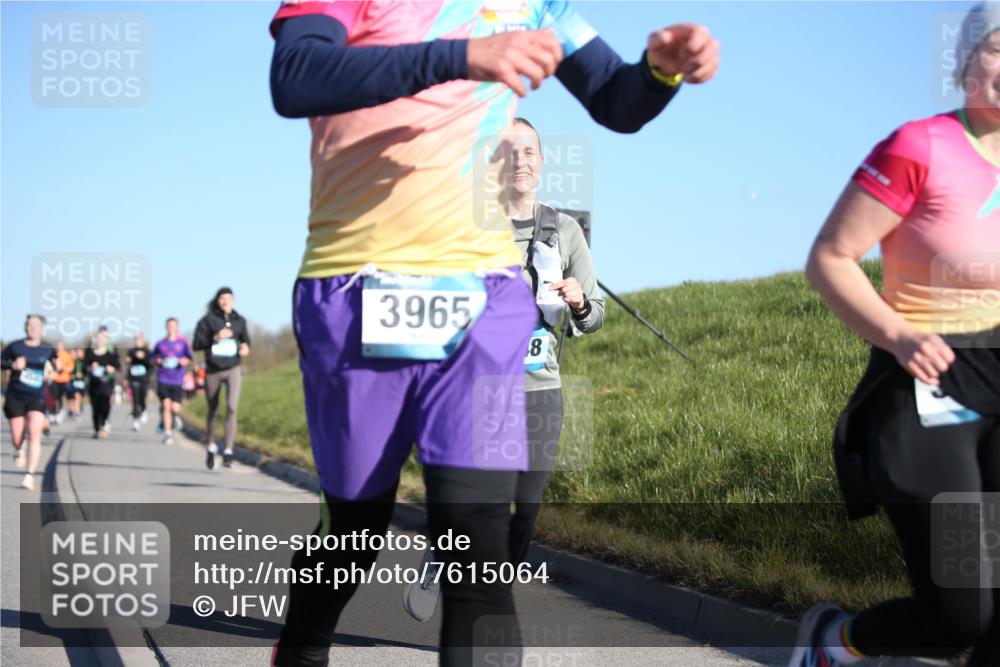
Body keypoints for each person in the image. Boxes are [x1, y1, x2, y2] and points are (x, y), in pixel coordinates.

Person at [268, 2, 719, 665]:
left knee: (476, 545)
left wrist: (659, 71)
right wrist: (463, 56)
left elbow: (614, 99)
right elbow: (297, 76)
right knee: (355, 529)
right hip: (357, 287)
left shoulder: (536, 6)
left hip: (480, 294)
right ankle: (303, 643)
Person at [791, 4, 1000, 666]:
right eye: (999, 48)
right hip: (931, 380)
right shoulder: (921, 145)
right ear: (966, 61)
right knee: (959, 612)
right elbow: (829, 257)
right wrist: (900, 334)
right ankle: (834, 643)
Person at [403, 118, 606, 622]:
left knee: (524, 511)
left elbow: (596, 313)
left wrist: (579, 302)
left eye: (531, 152)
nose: (521, 161)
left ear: (541, 162)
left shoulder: (564, 230)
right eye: (510, 152)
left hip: (541, 388)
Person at [193, 286, 251, 470]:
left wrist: (245, 347)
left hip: (233, 367)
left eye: (228, 298)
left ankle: (228, 450)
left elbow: (246, 340)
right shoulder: (208, 320)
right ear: (217, 301)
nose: (225, 301)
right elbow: (196, 344)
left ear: (233, 300)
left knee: (232, 407)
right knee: (213, 409)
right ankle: (210, 445)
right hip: (213, 369)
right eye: (222, 298)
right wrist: (215, 336)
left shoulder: (239, 320)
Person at [1, 315, 57, 490]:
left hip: (37, 396)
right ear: (25, 328)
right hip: (16, 396)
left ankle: (29, 475)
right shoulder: (15, 347)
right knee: (17, 438)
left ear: (42, 329)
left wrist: (56, 368)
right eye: (30, 325)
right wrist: (13, 366)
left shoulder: (48, 347)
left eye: (36, 325)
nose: (32, 328)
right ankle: (19, 448)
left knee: (34, 434)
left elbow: (57, 365)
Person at [152, 318, 192, 446]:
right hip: (163, 378)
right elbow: (153, 357)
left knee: (175, 408)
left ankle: (175, 418)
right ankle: (168, 434)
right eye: (169, 325)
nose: (171, 328)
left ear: (177, 327)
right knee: (166, 406)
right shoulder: (160, 343)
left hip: (177, 379)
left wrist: (184, 361)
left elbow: (189, 357)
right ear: (166, 327)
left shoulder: (183, 342)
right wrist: (157, 360)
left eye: (173, 325)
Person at [84, 327, 120, 439]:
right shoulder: (90, 354)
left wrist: (111, 368)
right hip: (94, 384)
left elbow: (117, 367)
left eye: (103, 338)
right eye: (98, 338)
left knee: (105, 404)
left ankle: (104, 422)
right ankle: (96, 428)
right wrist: (90, 368)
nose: (100, 340)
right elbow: (84, 368)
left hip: (106, 383)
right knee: (95, 407)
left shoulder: (111, 354)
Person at [125, 332, 152, 431]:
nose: (137, 340)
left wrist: (143, 357)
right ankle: (135, 421)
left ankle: (143, 410)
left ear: (142, 339)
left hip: (144, 378)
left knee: (142, 397)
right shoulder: (131, 351)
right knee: (135, 399)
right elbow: (128, 363)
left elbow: (150, 365)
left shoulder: (147, 351)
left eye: (138, 338)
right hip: (133, 378)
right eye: (135, 338)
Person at [49, 341, 75, 423]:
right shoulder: (53, 355)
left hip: (64, 379)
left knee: (61, 396)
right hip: (54, 378)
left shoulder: (67, 355)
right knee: (54, 396)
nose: (59, 347)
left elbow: (71, 368)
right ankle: (55, 412)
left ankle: (60, 410)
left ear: (63, 346)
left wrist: (62, 368)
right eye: (57, 346)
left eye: (60, 346)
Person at [64, 348, 87, 419]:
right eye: (77, 352)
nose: (78, 354)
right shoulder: (74, 361)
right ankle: (76, 412)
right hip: (75, 382)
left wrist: (83, 376)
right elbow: (71, 371)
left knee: (80, 397)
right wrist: (74, 376)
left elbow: (87, 372)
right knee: (76, 396)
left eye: (80, 352)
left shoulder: (85, 361)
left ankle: (77, 409)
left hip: (82, 382)